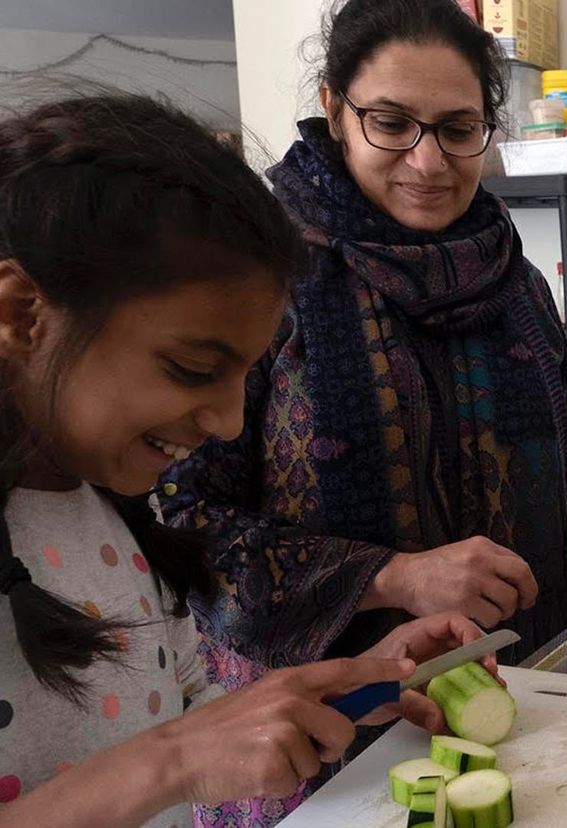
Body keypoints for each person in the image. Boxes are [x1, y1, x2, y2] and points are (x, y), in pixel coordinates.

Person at [0, 92, 493, 828]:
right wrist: (174, 759)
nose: (230, 422)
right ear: (20, 315)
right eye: (193, 367)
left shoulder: (111, 509)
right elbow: (169, 754)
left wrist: (335, 695)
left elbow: (181, 712)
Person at [162, 0, 567, 688]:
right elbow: (178, 526)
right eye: (391, 123)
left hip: (526, 682)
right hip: (328, 723)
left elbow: (560, 483)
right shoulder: (257, 278)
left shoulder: (519, 284)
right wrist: (392, 577)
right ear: (335, 110)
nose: (428, 162)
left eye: (459, 129)